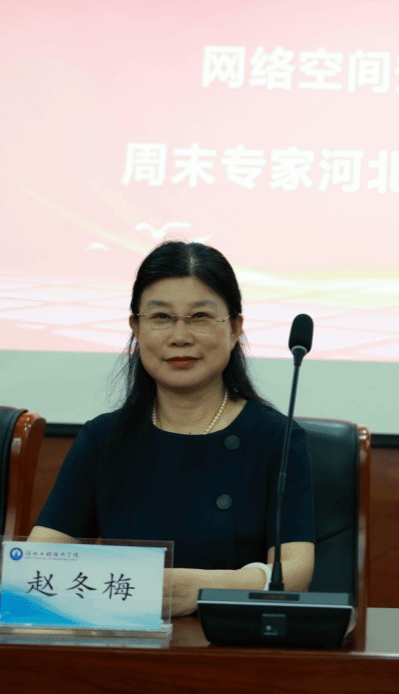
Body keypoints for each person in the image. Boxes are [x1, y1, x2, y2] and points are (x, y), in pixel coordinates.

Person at [29, 241, 315, 615]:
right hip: (125, 634)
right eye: (161, 317)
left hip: (233, 639)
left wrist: (197, 589)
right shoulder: (104, 437)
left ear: (234, 329)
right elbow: (37, 562)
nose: (180, 336)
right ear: (135, 328)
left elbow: (295, 570)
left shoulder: (276, 437)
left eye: (200, 316)